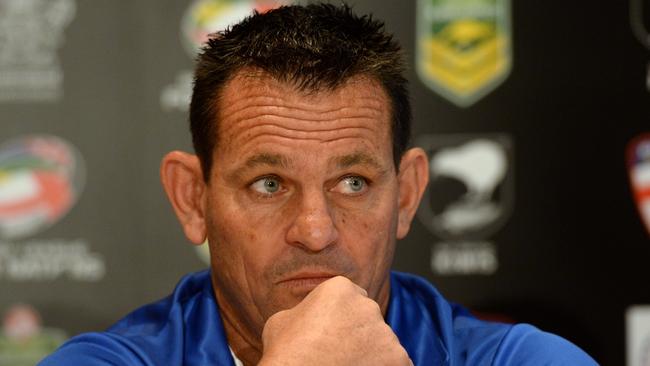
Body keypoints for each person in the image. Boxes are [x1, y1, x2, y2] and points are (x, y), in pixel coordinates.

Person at [39, 4, 598, 365]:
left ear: (405, 195)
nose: (314, 230)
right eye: (268, 184)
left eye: (353, 182)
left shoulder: (524, 361)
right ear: (193, 198)